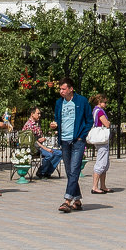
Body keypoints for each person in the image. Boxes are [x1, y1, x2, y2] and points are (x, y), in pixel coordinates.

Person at [52, 78, 92, 213]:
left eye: (63, 89)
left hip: (77, 141)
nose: (61, 91)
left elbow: (89, 120)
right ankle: (78, 200)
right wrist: (55, 125)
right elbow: (58, 119)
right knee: (70, 172)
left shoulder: (82, 101)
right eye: (60, 89)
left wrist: (82, 135)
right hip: (64, 140)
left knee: (74, 170)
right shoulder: (59, 103)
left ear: (70, 89)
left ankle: (67, 201)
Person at [23, 107, 61, 178]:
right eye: (38, 113)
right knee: (49, 155)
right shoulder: (29, 125)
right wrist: (46, 149)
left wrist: (43, 138)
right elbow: (34, 142)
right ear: (32, 114)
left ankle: (47, 172)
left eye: (40, 113)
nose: (40, 115)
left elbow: (38, 138)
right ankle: (41, 172)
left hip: (40, 147)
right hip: (34, 149)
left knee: (59, 153)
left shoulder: (37, 123)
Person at [90, 94, 112, 194]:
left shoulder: (94, 110)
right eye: (105, 102)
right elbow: (106, 124)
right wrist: (109, 123)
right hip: (101, 140)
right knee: (101, 162)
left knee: (104, 163)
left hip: (99, 139)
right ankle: (95, 186)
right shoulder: (100, 111)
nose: (106, 104)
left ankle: (103, 185)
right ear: (100, 102)